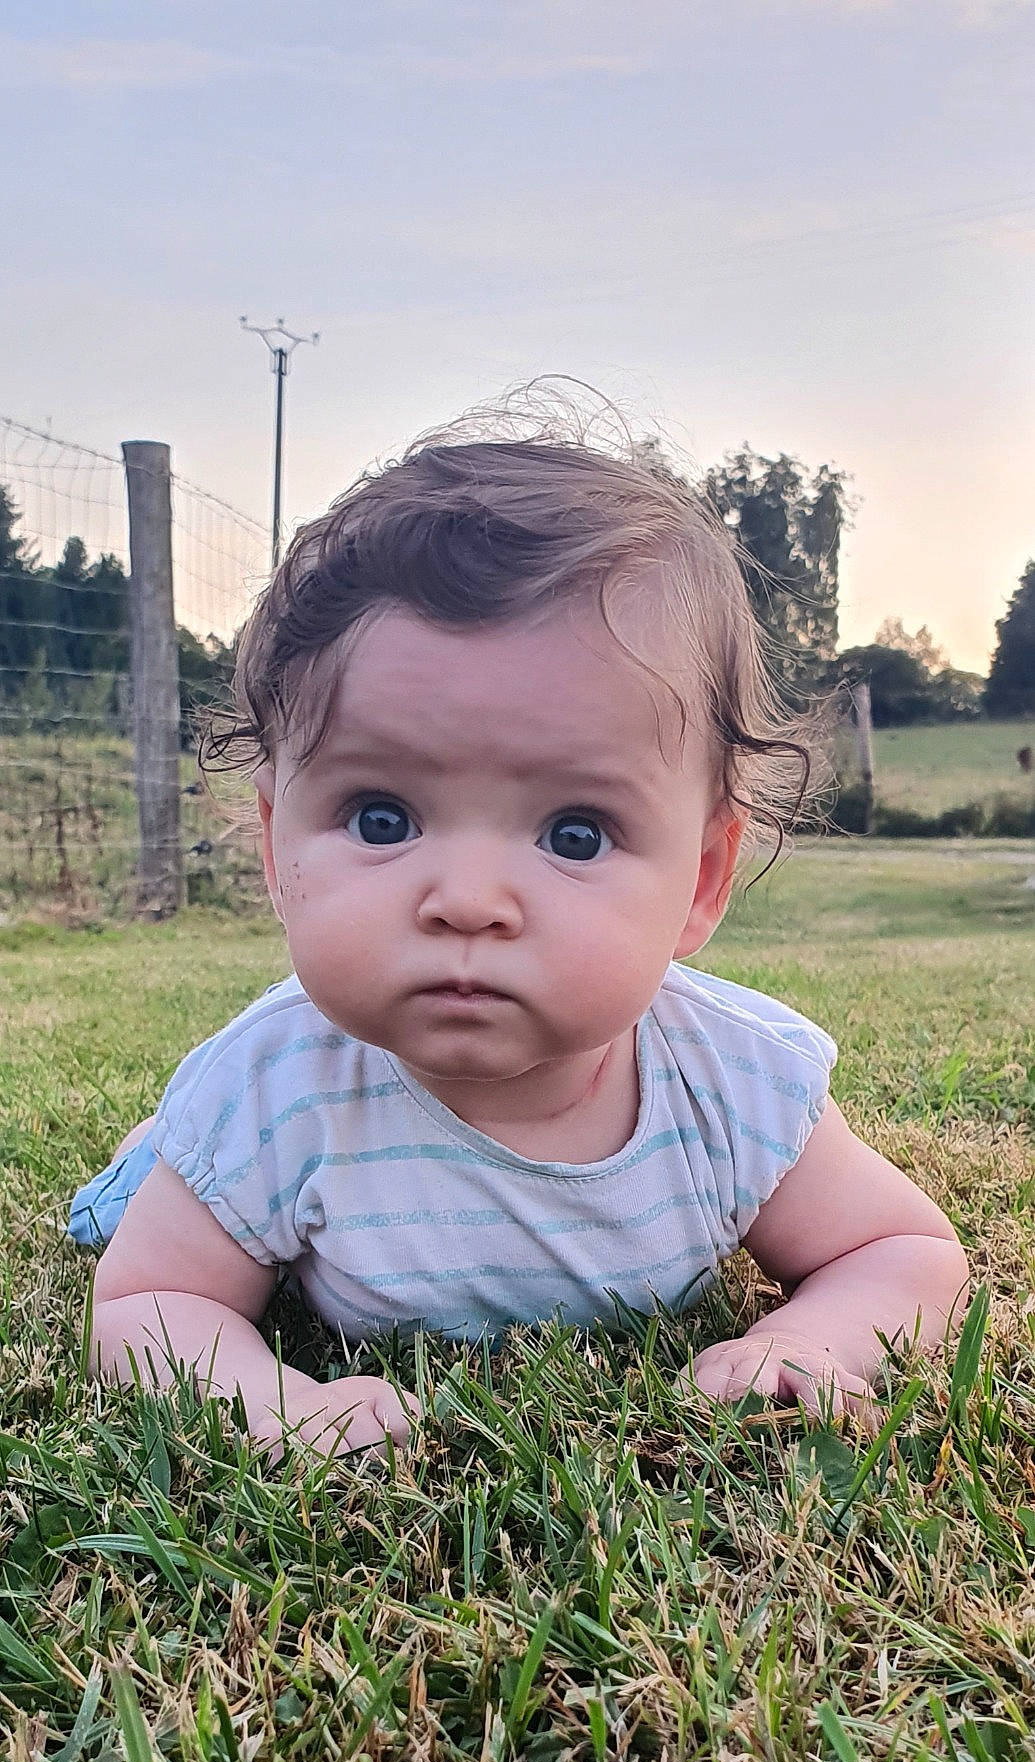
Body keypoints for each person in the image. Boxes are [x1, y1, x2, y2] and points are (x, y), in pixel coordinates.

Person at [72, 416, 968, 1456]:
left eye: (575, 834)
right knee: (144, 1201)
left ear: (702, 881)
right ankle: (158, 1152)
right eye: (382, 818)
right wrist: (277, 1406)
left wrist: (817, 1336)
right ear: (278, 849)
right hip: (231, 1146)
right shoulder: (274, 1089)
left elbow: (903, 1246)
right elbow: (148, 1304)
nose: (467, 899)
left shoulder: (732, 1083)